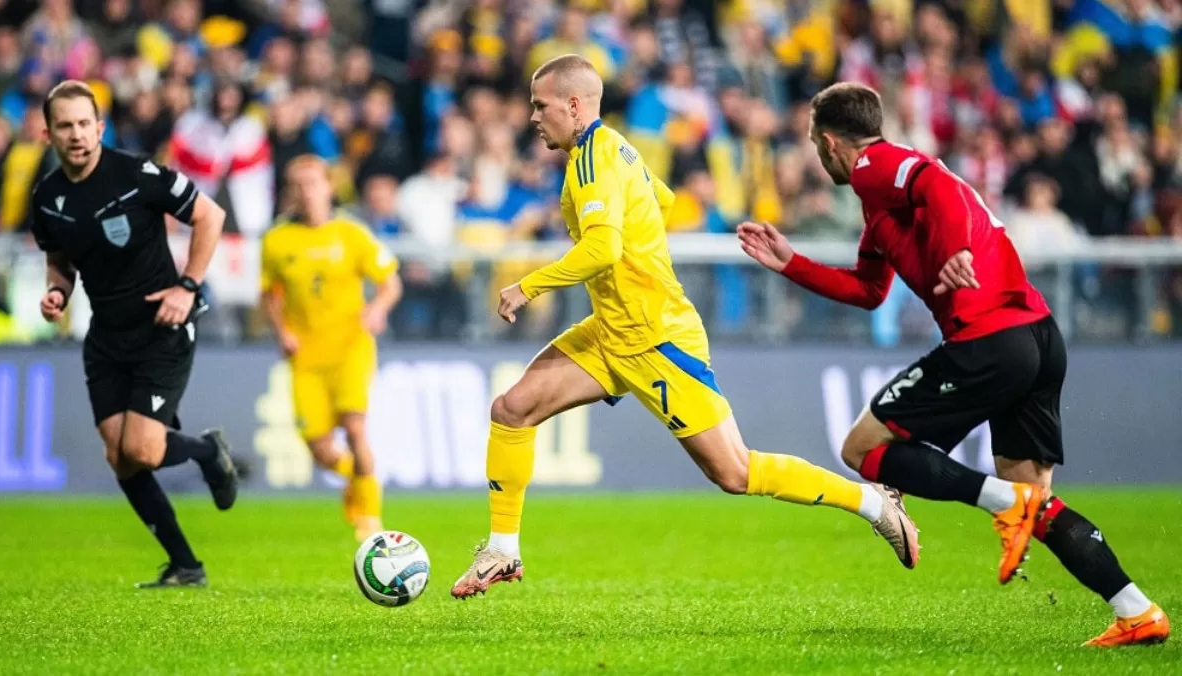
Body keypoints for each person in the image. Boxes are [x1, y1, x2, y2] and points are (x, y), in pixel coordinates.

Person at [449, 55, 920, 600]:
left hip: (656, 339)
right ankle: (503, 550)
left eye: (540, 105)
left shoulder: (592, 164)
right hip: (611, 330)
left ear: (574, 105)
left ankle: (873, 503)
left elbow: (604, 247)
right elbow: (665, 201)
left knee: (735, 473)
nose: (532, 116)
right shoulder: (616, 148)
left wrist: (528, 286)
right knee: (512, 409)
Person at [737, 82, 1170, 648]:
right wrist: (792, 263)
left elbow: (936, 182)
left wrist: (957, 249)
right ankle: (1137, 611)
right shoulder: (881, 211)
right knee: (1036, 507)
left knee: (862, 450)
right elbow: (869, 290)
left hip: (988, 339)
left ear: (829, 142)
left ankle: (1001, 502)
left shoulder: (874, 164)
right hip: (1037, 337)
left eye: (817, 146)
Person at [30, 80, 238, 588]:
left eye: (85, 124)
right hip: (107, 335)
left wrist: (187, 286)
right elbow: (60, 262)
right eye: (65, 126)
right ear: (48, 133)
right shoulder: (48, 198)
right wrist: (57, 293)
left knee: (142, 450)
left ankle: (210, 451)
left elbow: (211, 215)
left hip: (162, 327)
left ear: (99, 127)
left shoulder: (137, 174)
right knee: (118, 455)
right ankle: (186, 566)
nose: (77, 134)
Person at [260, 154, 403, 542]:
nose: (306, 192)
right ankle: (359, 478)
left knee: (355, 428)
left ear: (329, 186)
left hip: (350, 348)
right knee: (320, 450)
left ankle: (370, 520)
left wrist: (376, 309)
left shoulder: (352, 234)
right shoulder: (277, 240)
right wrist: (282, 331)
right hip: (305, 357)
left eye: (313, 183)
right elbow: (269, 294)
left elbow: (391, 282)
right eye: (298, 184)